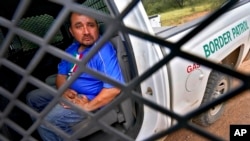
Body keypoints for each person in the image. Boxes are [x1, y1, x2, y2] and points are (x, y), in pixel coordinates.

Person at [26, 12, 124, 141]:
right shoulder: (72, 48)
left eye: (91, 25)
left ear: (97, 27)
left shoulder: (102, 50)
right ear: (71, 31)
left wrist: (86, 107)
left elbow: (114, 88)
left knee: (47, 124)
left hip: (89, 99)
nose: (86, 31)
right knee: (33, 98)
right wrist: (63, 91)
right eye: (79, 26)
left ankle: (48, 131)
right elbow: (61, 75)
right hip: (71, 92)